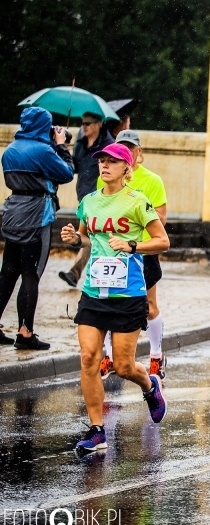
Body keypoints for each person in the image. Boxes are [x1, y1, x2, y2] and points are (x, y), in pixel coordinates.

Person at [60, 143, 169, 453]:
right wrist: (73, 240)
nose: (105, 165)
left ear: (126, 168)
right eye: (102, 161)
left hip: (128, 293)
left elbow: (163, 241)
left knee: (123, 366)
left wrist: (133, 246)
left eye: (112, 161)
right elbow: (85, 238)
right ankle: (97, 430)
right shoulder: (89, 202)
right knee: (88, 358)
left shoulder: (138, 202)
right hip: (94, 292)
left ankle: (150, 385)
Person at [95, 130, 169, 380]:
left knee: (148, 307)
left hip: (142, 252)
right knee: (106, 305)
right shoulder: (104, 177)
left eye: (130, 147)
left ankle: (156, 355)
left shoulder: (152, 181)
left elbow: (161, 220)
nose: (125, 151)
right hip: (111, 252)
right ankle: (106, 356)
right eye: (120, 147)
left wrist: (135, 212)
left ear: (139, 153)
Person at [0, 107, 74, 349]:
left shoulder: (10, 150)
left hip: (13, 214)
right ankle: (25, 333)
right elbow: (66, 173)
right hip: (37, 217)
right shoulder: (43, 151)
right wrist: (61, 146)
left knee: (8, 272)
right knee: (31, 274)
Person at [59, 112, 114, 288]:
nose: (85, 127)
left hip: (101, 198)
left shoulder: (108, 145)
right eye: (83, 123)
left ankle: (76, 273)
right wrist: (62, 148)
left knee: (91, 234)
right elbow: (74, 166)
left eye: (88, 124)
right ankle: (82, 273)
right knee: (93, 236)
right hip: (84, 197)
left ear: (99, 124)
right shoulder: (81, 144)